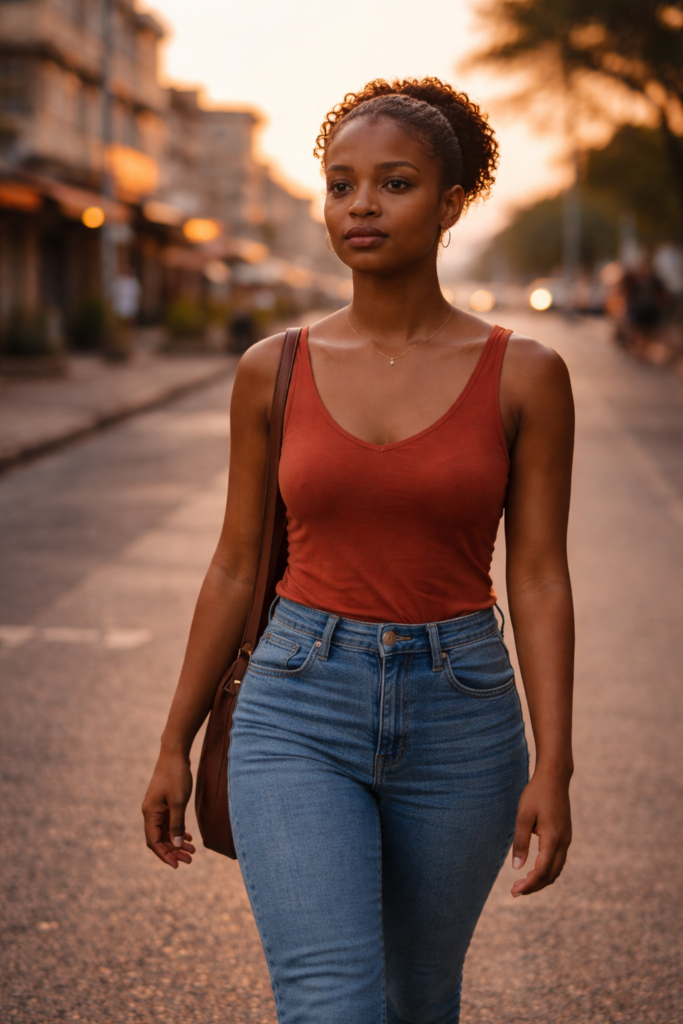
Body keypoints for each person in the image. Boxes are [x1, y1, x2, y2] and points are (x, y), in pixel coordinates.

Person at [142, 77, 575, 1024]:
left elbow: (539, 576)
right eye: (341, 185)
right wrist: (173, 741)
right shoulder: (274, 368)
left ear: (451, 202)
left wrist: (556, 763)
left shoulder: (526, 377)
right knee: (330, 1004)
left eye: (394, 183)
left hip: (462, 714)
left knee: (415, 1000)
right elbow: (231, 562)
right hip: (296, 701)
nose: (361, 206)